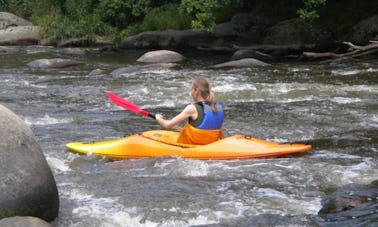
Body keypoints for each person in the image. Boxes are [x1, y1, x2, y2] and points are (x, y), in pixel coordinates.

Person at [155, 76, 224, 145]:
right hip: (210, 145)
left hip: (193, 147)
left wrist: (159, 119)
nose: (190, 93)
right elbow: (220, 132)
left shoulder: (192, 108)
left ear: (196, 91)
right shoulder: (217, 107)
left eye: (191, 90)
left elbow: (167, 125)